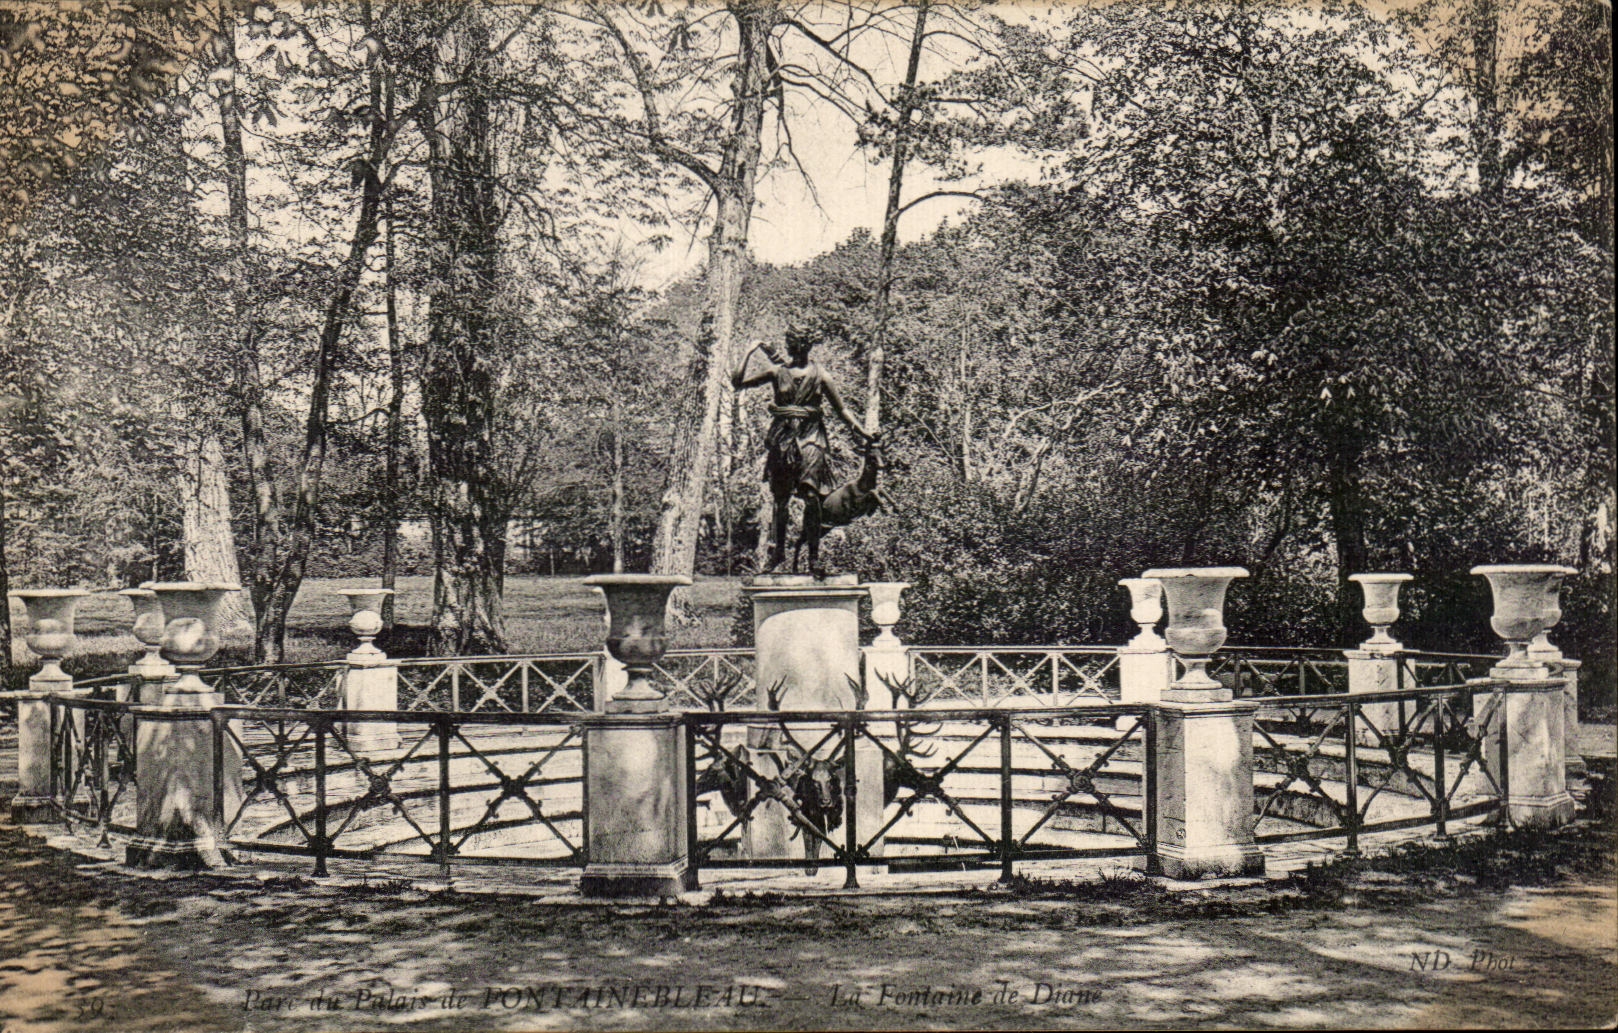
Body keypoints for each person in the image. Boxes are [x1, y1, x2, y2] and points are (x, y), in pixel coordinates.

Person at [732, 325, 871, 574]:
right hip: (783, 438)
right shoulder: (777, 371)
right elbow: (737, 382)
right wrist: (749, 351)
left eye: (800, 345)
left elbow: (842, 410)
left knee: (811, 496)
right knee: (781, 500)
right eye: (792, 345)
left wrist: (860, 430)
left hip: (812, 437)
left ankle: (814, 559)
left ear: (807, 347)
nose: (795, 349)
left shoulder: (821, 376)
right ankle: (778, 555)